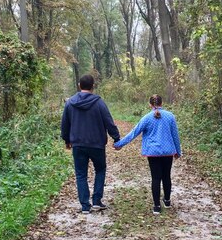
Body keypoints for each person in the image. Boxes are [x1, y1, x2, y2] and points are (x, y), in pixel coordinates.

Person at [61, 74, 121, 214]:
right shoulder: (99, 103)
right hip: (97, 144)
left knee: (81, 174)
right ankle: (96, 201)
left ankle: (85, 206)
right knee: (100, 170)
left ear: (79, 85)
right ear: (93, 86)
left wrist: (67, 140)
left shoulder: (70, 103)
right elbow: (108, 121)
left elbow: (65, 124)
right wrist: (116, 138)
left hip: (78, 144)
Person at [113, 94, 181, 215]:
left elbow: (134, 133)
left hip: (153, 153)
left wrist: (120, 144)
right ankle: (167, 201)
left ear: (150, 104)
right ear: (162, 103)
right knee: (166, 176)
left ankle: (156, 206)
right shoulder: (170, 117)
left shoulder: (146, 118)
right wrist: (178, 151)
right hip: (167, 152)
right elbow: (175, 135)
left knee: (156, 178)